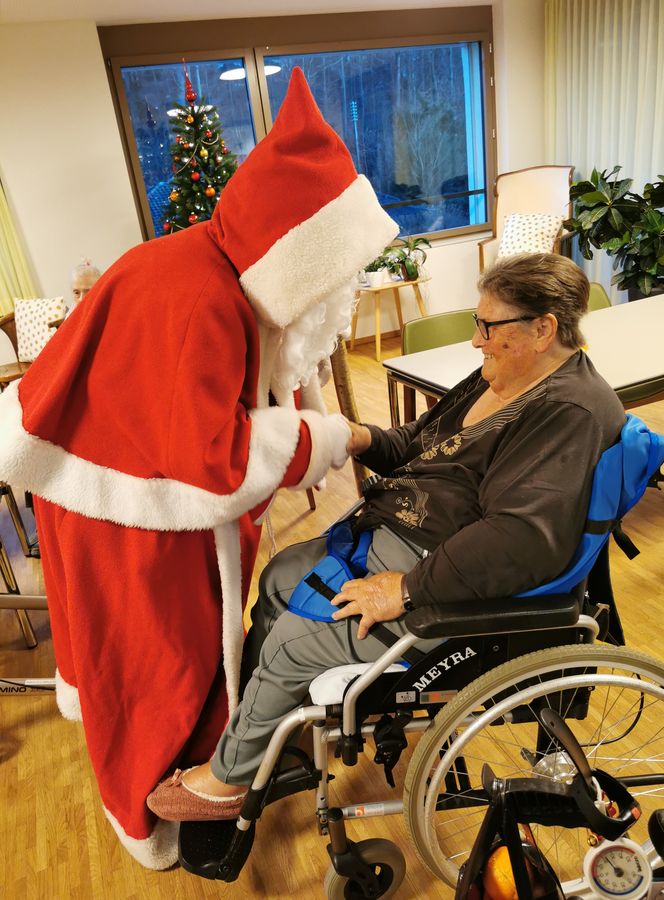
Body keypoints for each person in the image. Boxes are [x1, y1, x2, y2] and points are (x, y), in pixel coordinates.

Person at [0, 69, 397, 868]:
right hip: (130, 521)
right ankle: (149, 814)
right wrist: (329, 438)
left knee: (167, 657)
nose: (342, 294)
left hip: (114, 498)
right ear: (299, 253)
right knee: (152, 667)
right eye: (336, 272)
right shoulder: (201, 299)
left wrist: (313, 425)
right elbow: (215, 464)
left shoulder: (209, 268)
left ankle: (200, 761)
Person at [146, 251, 627, 822]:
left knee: (292, 641)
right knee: (277, 579)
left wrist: (404, 588)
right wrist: (357, 437)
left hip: (451, 576)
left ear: (543, 329)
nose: (476, 340)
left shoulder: (568, 411)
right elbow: (422, 441)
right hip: (401, 532)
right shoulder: (501, 376)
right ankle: (271, 733)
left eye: (487, 326)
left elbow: (519, 540)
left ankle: (231, 778)